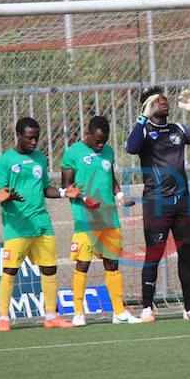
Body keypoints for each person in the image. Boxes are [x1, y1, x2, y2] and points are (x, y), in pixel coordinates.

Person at [125, 86, 190, 322]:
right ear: (147, 107)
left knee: (187, 255)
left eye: (164, 98)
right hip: (157, 203)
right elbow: (131, 147)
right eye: (157, 100)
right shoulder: (143, 131)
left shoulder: (178, 129)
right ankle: (147, 308)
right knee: (154, 254)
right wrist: (142, 118)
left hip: (183, 202)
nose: (164, 101)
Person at [0, 117, 77, 331]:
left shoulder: (39, 157)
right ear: (18, 135)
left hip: (42, 223)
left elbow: (45, 188)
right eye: (29, 138)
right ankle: (3, 318)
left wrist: (63, 192)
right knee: (9, 271)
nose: (33, 142)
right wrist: (5, 196)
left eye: (36, 138)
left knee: (49, 269)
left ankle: (51, 317)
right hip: (17, 226)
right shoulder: (4, 160)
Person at [62, 115, 142, 325]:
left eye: (104, 141)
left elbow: (111, 178)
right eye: (97, 141)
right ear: (88, 133)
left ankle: (119, 312)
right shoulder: (72, 153)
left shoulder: (108, 152)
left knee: (112, 263)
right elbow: (66, 187)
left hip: (109, 219)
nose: (100, 145)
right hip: (85, 220)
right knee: (83, 264)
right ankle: (78, 313)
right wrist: (83, 198)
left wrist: (120, 195)